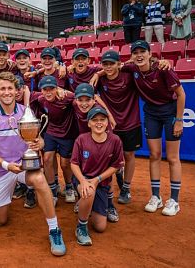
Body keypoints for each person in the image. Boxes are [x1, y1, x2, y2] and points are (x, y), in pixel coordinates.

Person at [0, 71, 66, 257]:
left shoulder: (26, 112)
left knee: (40, 179)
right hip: (2, 169)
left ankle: (54, 230)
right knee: (0, 221)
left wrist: (40, 143)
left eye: (10, 88)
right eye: (2, 88)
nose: (6, 92)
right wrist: (5, 165)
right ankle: (6, 196)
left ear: (17, 90)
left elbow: (39, 139)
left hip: (24, 166)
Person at [123, 40, 185, 216]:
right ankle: (156, 197)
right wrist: (98, 74)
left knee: (172, 157)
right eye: (135, 52)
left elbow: (181, 95)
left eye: (143, 51)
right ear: (132, 56)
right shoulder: (132, 69)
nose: (139, 55)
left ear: (150, 54)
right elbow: (113, 67)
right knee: (154, 155)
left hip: (170, 112)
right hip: (151, 113)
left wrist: (179, 120)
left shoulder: (164, 69)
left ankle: (174, 200)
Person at [71, 107, 125, 246]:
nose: (99, 123)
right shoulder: (81, 139)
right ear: (88, 123)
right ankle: (81, 227)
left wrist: (97, 179)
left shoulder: (115, 140)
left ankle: (90, 203)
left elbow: (116, 165)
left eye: (102, 120)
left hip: (101, 182)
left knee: (100, 227)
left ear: (107, 122)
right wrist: (83, 181)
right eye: (94, 120)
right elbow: (74, 164)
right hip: (82, 177)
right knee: (88, 191)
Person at [96, 51, 141, 205]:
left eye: (111, 63)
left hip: (131, 123)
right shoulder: (100, 79)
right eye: (105, 64)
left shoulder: (129, 76)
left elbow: (138, 63)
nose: (108, 67)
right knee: (109, 156)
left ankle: (126, 188)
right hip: (111, 125)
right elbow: (93, 95)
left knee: (128, 155)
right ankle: (107, 189)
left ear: (118, 64)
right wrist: (109, 115)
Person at [37, 75, 77, 205]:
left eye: (51, 89)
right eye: (45, 89)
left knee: (65, 164)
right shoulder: (40, 99)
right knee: (47, 159)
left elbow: (79, 96)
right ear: (41, 90)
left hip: (67, 134)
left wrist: (64, 91)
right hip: (51, 132)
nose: (48, 92)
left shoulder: (67, 97)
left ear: (57, 88)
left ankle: (69, 187)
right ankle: (52, 190)